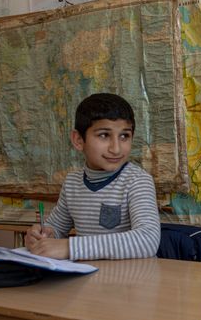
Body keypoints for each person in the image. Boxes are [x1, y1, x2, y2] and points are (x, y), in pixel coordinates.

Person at [24, 93, 160, 261]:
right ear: (78, 140)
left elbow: (147, 240)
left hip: (132, 281)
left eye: (124, 136)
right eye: (104, 135)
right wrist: (43, 235)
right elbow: (56, 228)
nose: (116, 148)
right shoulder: (73, 182)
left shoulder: (137, 181)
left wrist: (69, 247)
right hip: (87, 276)